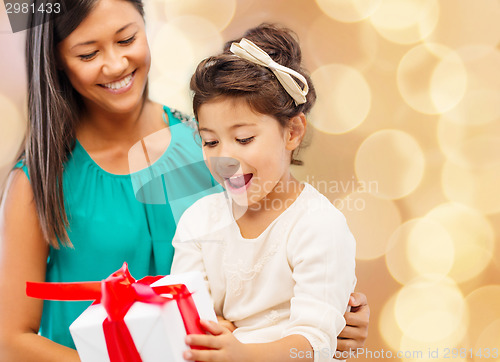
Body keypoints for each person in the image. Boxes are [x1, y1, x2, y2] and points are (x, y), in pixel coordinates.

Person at [0, 0, 368, 361]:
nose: (115, 64)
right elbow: (11, 342)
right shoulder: (37, 181)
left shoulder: (212, 147)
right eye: (87, 54)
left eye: (127, 39)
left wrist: (335, 316)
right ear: (57, 62)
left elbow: (282, 261)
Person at [170, 24, 359, 362]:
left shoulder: (318, 226)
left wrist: (241, 353)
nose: (225, 159)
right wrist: (208, 328)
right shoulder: (199, 222)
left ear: (293, 132)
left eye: (243, 139)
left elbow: (315, 342)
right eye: (210, 141)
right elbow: (183, 319)